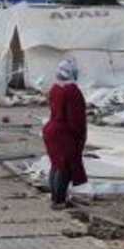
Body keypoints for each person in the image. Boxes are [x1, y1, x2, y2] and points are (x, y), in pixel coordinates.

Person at [42, 59, 87, 210]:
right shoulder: (72, 91)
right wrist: (79, 136)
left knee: (56, 164)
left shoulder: (55, 88)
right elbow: (76, 118)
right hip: (63, 132)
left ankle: (55, 198)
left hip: (51, 130)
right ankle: (59, 201)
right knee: (65, 166)